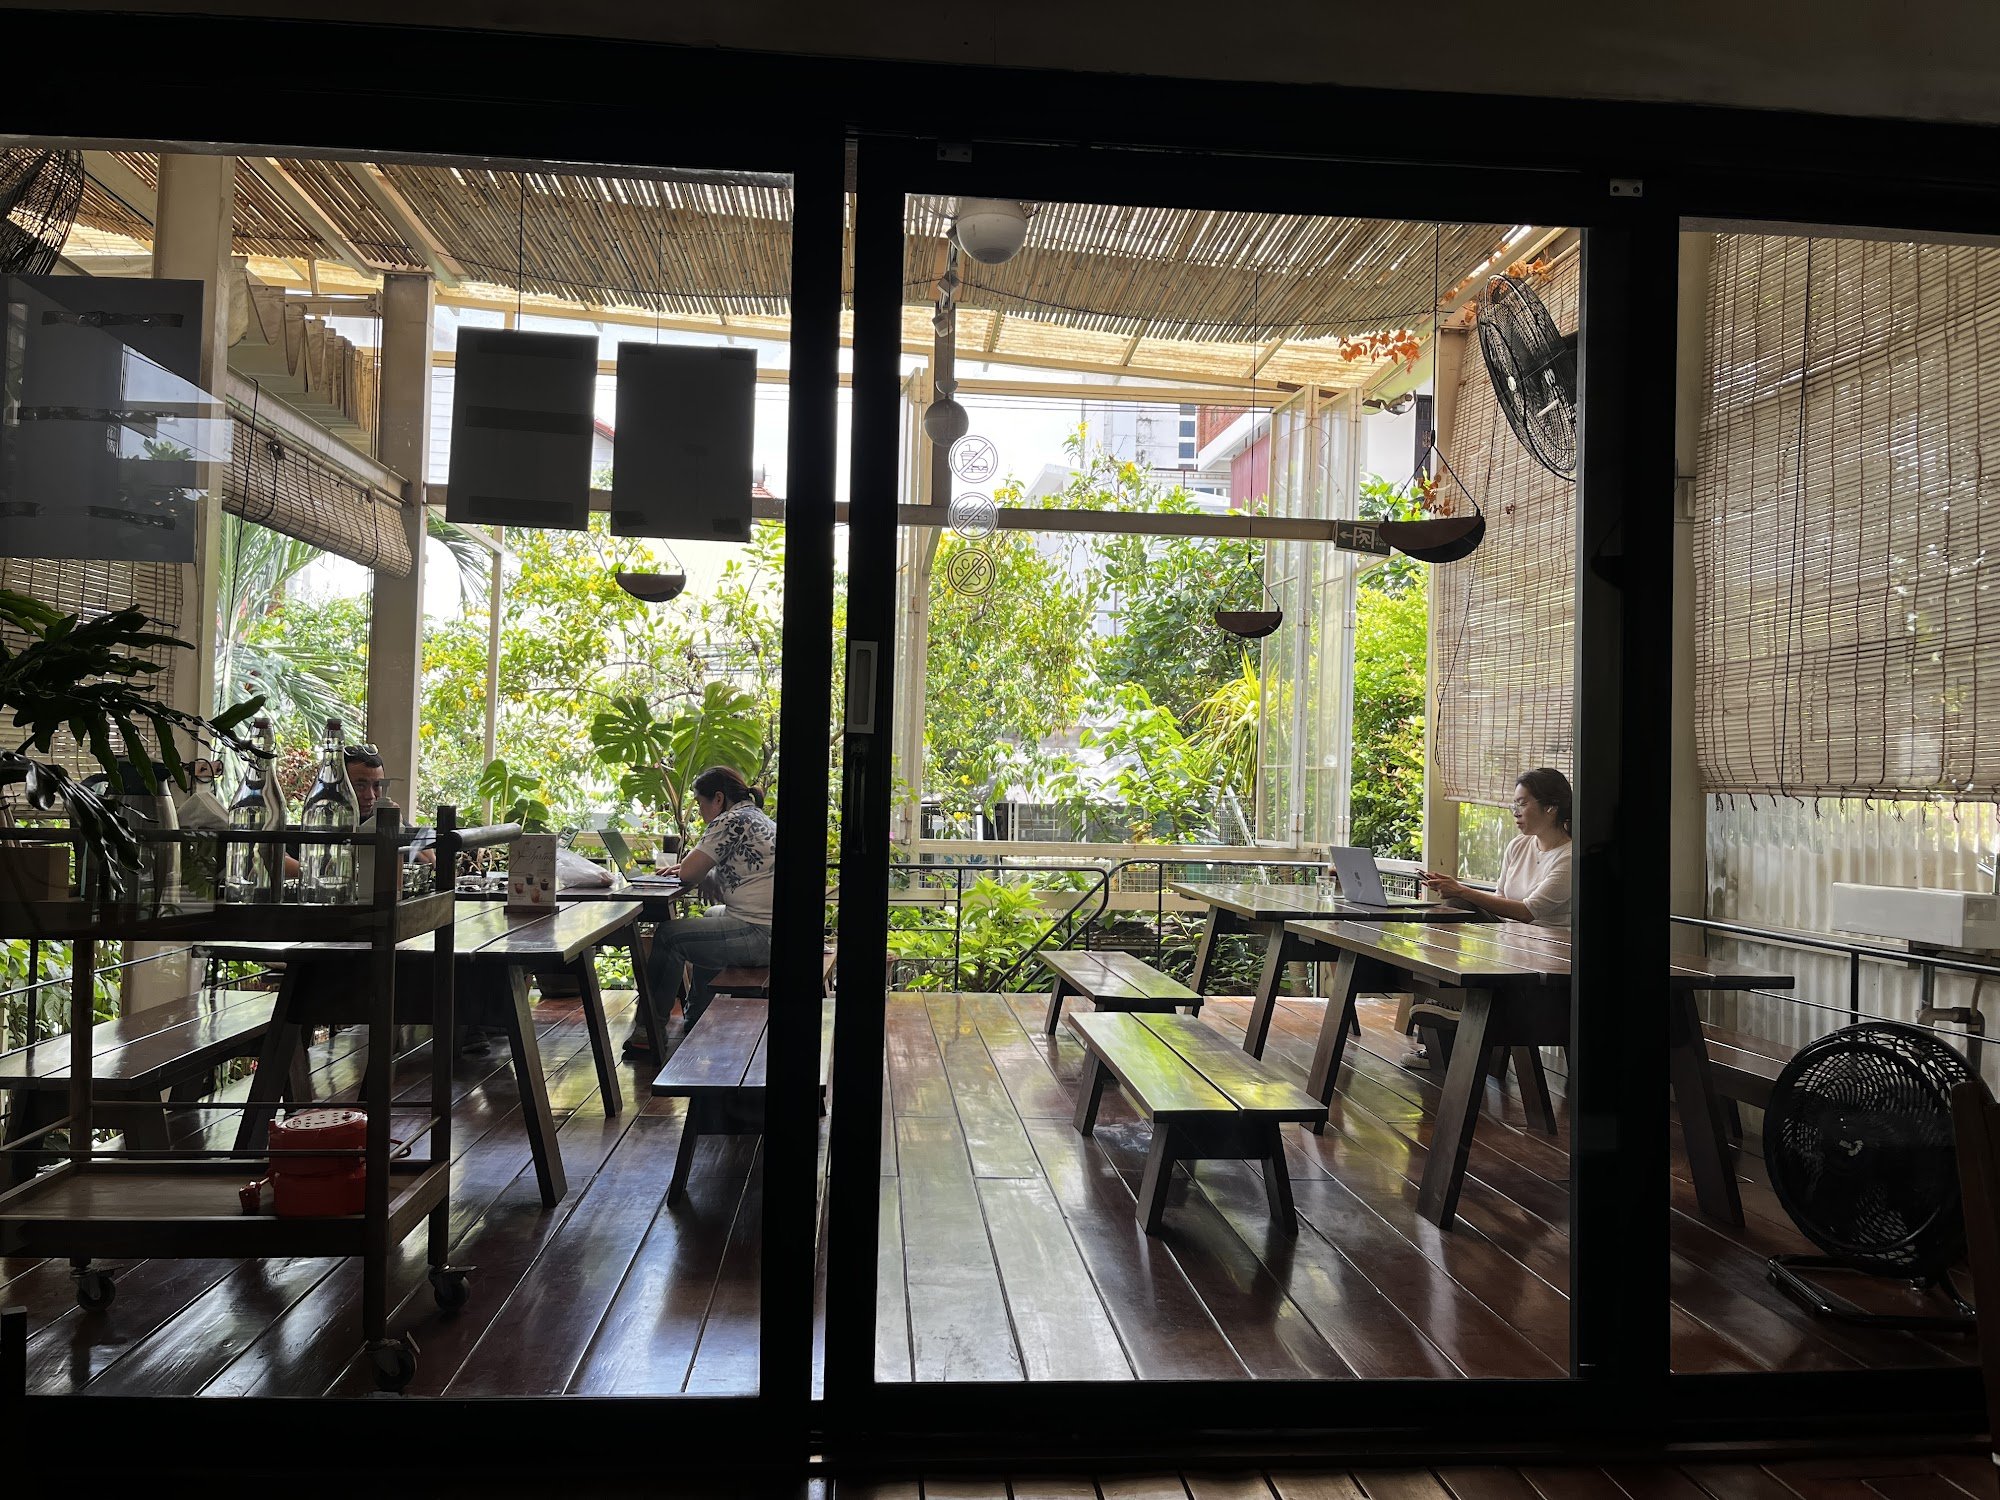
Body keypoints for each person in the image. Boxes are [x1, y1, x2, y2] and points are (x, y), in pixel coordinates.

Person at [629, 765, 775, 1053]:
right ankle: (697, 1015)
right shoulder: (755, 817)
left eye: (699, 803)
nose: (699, 811)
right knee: (710, 915)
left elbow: (688, 874)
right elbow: (724, 872)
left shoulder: (730, 821)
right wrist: (706, 875)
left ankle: (649, 1031)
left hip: (760, 935)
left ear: (718, 799)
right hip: (769, 928)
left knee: (670, 937)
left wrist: (691, 872)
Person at [1419, 767, 1573, 927]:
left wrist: (1461, 890)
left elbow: (1527, 912)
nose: (1515, 812)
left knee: (1458, 899)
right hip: (1508, 932)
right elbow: (1500, 897)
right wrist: (1458, 893)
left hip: (1546, 941)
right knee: (1456, 904)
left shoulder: (1569, 858)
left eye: (1522, 804)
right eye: (1515, 805)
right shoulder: (1518, 845)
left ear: (1551, 808)